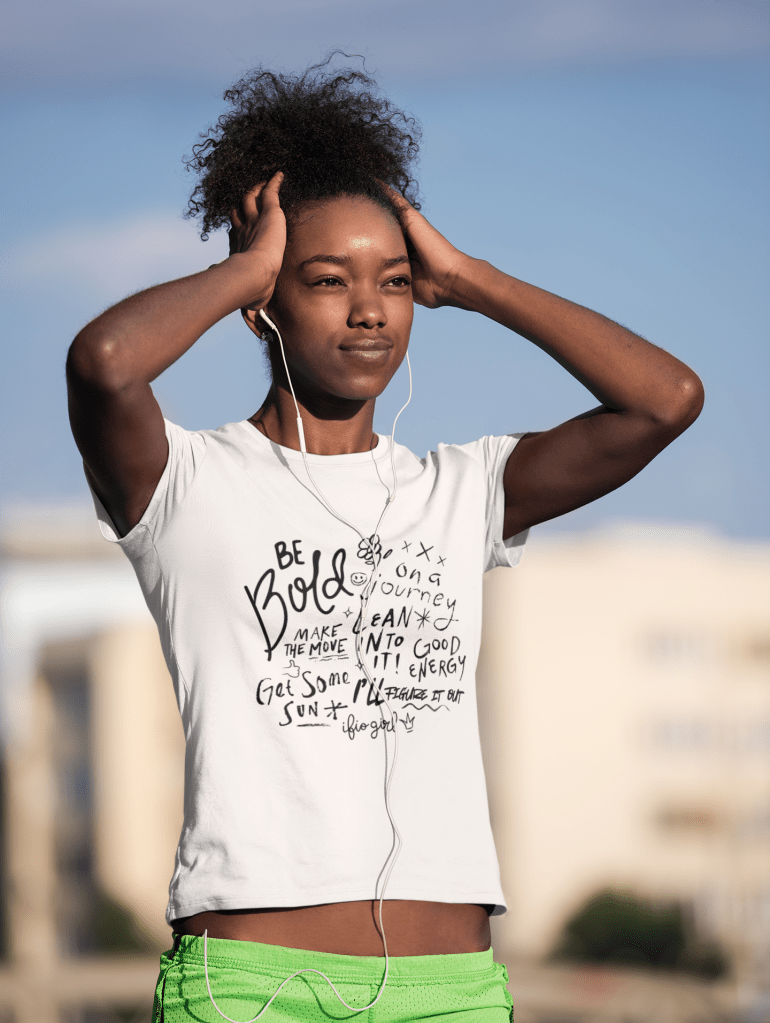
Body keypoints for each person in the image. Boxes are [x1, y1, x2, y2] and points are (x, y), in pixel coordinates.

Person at [66, 58, 703, 1023]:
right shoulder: (185, 482)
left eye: (396, 283)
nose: (370, 308)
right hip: (250, 988)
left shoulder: (459, 491)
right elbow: (105, 364)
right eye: (325, 280)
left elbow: (666, 400)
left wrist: (473, 280)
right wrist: (241, 265)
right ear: (263, 306)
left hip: (449, 991)